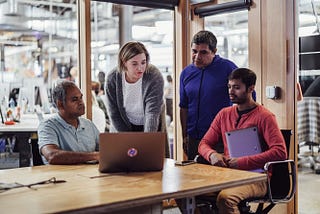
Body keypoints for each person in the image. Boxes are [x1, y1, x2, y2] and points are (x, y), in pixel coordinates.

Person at [198, 68, 287, 214]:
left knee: (226, 198)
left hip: (257, 178)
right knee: (184, 194)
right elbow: (204, 144)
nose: (231, 91)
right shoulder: (224, 114)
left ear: (251, 88)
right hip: (228, 174)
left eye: (237, 87)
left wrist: (241, 162)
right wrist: (212, 155)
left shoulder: (265, 117)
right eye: (229, 87)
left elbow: (280, 152)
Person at [179, 30, 237, 160]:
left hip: (221, 139)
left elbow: (248, 98)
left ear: (214, 51)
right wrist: (184, 136)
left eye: (203, 52)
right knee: (195, 178)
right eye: (194, 51)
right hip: (194, 139)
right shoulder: (186, 73)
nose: (197, 56)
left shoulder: (228, 68)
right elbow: (184, 107)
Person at [105, 41, 164, 132]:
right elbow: (114, 113)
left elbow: (152, 113)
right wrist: (128, 140)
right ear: (124, 62)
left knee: (149, 145)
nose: (140, 68)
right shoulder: (113, 78)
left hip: (150, 125)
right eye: (134, 64)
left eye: (143, 62)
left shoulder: (153, 75)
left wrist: (148, 139)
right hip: (121, 126)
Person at [38, 80, 100, 165]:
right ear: (60, 104)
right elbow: (52, 155)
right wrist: (93, 156)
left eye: (81, 98)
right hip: (61, 176)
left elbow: (105, 151)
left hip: (89, 175)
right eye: (75, 99)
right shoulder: (48, 126)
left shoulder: (88, 124)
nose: (81, 102)